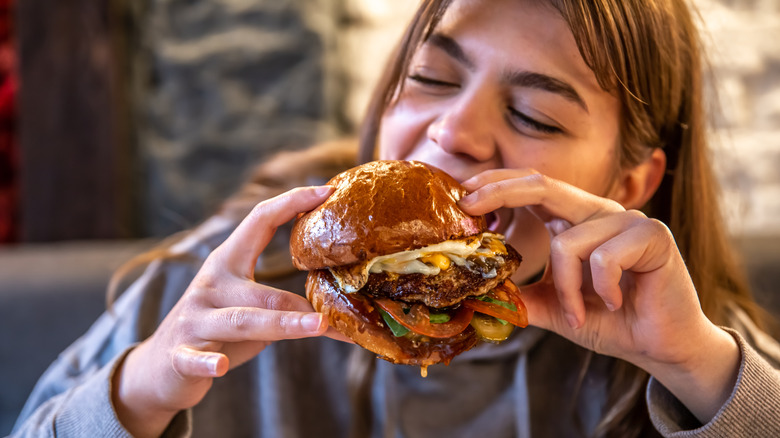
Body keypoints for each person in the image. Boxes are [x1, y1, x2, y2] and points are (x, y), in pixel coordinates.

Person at [12, 0, 780, 437]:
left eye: (534, 115)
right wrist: (143, 389)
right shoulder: (220, 289)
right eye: (430, 78)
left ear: (630, 181)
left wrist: (697, 371)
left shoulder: (695, 351)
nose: (453, 131)